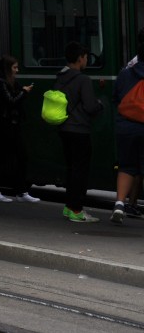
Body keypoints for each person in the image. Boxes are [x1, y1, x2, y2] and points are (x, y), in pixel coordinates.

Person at [55, 42, 104, 223]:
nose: (86, 60)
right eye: (85, 57)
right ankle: (77, 210)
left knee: (71, 169)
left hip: (64, 128)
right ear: (79, 59)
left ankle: (69, 207)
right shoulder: (83, 80)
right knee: (80, 171)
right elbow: (90, 106)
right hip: (80, 130)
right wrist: (100, 104)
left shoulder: (61, 76)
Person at [0, 54, 38, 202]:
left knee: (20, 156)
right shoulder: (1, 84)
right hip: (3, 125)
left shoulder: (11, 83)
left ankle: (20, 191)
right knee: (3, 158)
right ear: (7, 69)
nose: (17, 70)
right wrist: (24, 92)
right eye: (14, 67)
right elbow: (11, 102)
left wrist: (22, 91)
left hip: (11, 124)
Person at [111, 29, 144, 224]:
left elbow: (116, 98)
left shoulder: (125, 73)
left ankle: (119, 204)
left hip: (126, 127)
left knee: (126, 166)